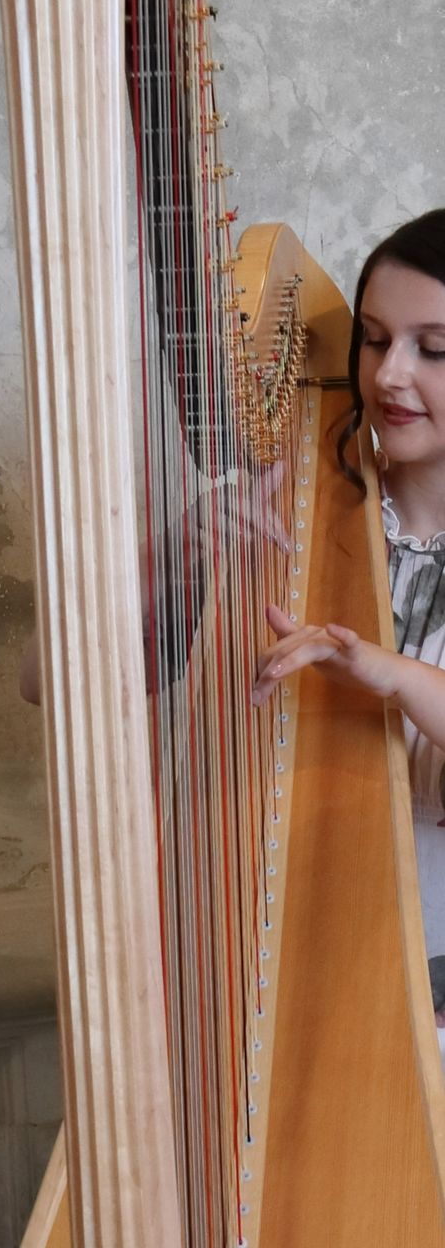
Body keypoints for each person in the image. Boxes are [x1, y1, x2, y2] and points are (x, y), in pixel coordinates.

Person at [253, 208, 445, 974]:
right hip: (305, 951)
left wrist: (395, 675)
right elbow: (39, 685)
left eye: (434, 348)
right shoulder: (295, 518)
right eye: (373, 338)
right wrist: (166, 565)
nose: (389, 374)